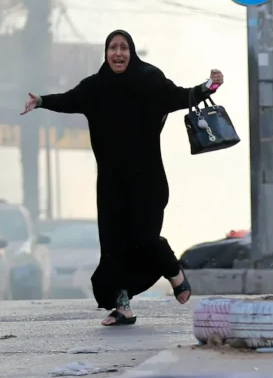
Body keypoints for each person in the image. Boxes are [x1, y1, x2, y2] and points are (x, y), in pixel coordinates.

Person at [21, 29, 224, 327]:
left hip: (148, 182)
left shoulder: (149, 80)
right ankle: (122, 307)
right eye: (113, 48)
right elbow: (68, 100)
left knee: (143, 239)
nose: (118, 53)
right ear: (106, 54)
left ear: (131, 52)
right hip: (111, 186)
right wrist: (40, 100)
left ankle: (174, 273)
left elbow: (180, 96)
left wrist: (209, 86)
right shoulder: (95, 88)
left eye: (123, 48)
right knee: (114, 249)